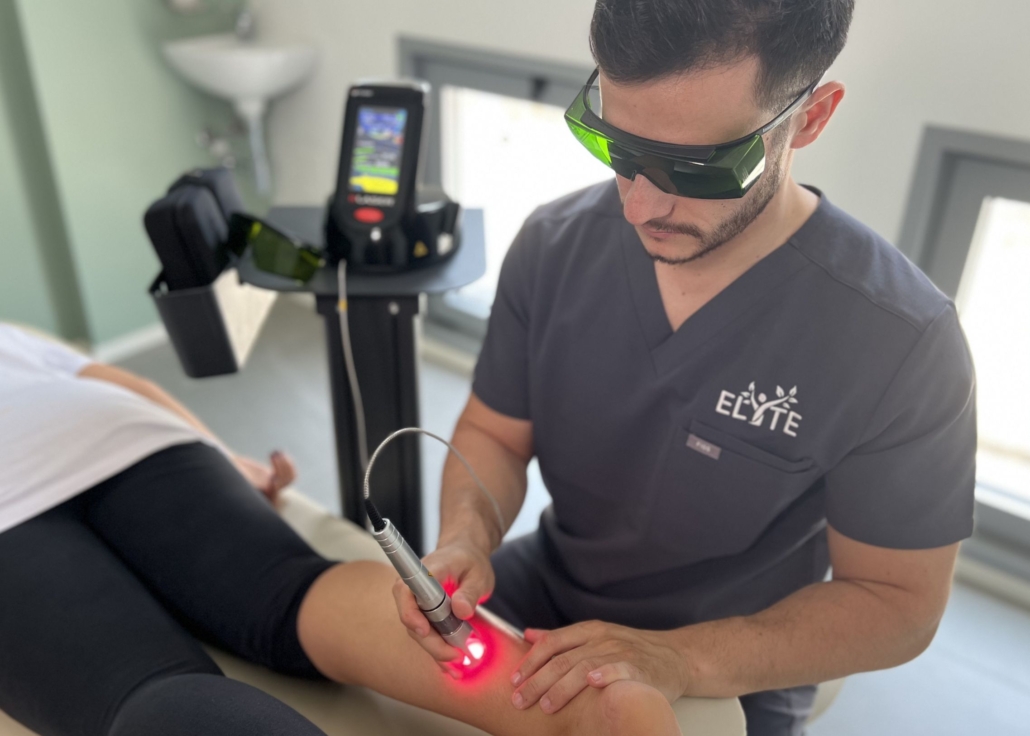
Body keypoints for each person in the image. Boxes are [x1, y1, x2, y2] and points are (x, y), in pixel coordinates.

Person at [394, 2, 977, 735]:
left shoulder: (900, 341)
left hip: (736, 657)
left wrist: (678, 658)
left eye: (697, 167)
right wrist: (464, 538)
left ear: (811, 117)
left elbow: (897, 604)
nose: (640, 205)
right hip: (544, 590)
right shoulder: (555, 245)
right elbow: (496, 436)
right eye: (617, 147)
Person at [0, 322, 680, 736]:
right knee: (293, 592)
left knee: (144, 686)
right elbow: (105, 379)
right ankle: (588, 716)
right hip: (127, 435)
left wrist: (223, 452)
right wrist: (220, 453)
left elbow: (101, 371)